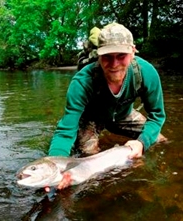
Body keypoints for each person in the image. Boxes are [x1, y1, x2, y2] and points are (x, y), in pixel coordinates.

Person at [48, 23, 166, 189]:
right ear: (98, 55)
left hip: (124, 115)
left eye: (121, 56)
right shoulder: (82, 82)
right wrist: (53, 167)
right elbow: (66, 131)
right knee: (90, 161)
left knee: (158, 140)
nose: (114, 63)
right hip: (92, 118)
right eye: (107, 56)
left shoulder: (147, 73)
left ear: (133, 52)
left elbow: (157, 116)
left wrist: (141, 143)